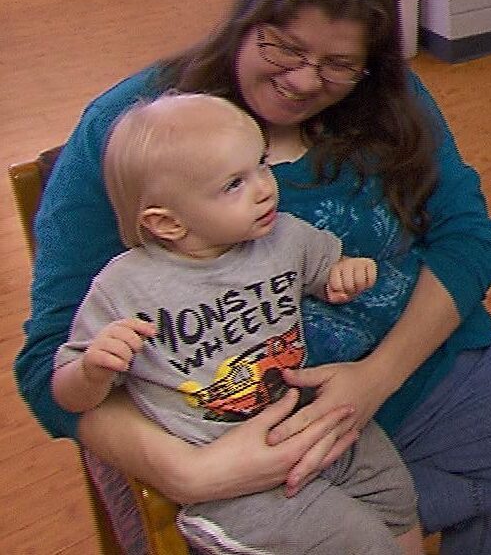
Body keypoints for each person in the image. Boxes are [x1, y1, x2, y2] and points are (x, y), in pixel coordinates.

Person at [17, 0, 491, 555]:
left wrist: (375, 378)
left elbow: (467, 239)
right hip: (246, 432)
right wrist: (188, 473)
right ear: (247, 19)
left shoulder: (384, 99)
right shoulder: (137, 133)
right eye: (283, 49)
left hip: (410, 369)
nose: (302, 80)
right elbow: (51, 356)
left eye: (339, 64)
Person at [55, 94, 421, 555]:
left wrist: (345, 274)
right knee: (361, 542)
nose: (265, 188)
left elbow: (327, 272)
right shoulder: (124, 288)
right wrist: (92, 369)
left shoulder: (284, 236)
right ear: (167, 223)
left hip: (303, 421)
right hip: (232, 484)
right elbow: (68, 395)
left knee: (397, 498)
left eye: (262, 165)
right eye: (233, 184)